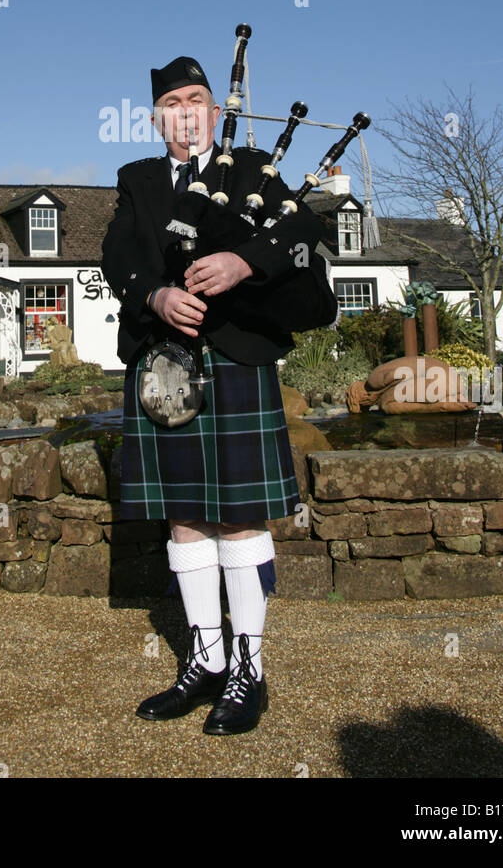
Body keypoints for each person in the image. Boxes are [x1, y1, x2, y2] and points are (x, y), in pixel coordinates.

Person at [101, 55, 336, 735]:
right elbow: (118, 256)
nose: (185, 111)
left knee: (239, 517)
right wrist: (157, 293)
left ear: (212, 111)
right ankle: (203, 661)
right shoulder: (139, 181)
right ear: (157, 118)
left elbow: (300, 230)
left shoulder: (252, 170)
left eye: (196, 99)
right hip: (165, 365)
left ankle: (248, 671)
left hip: (235, 358)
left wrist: (244, 261)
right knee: (185, 518)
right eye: (171, 101)